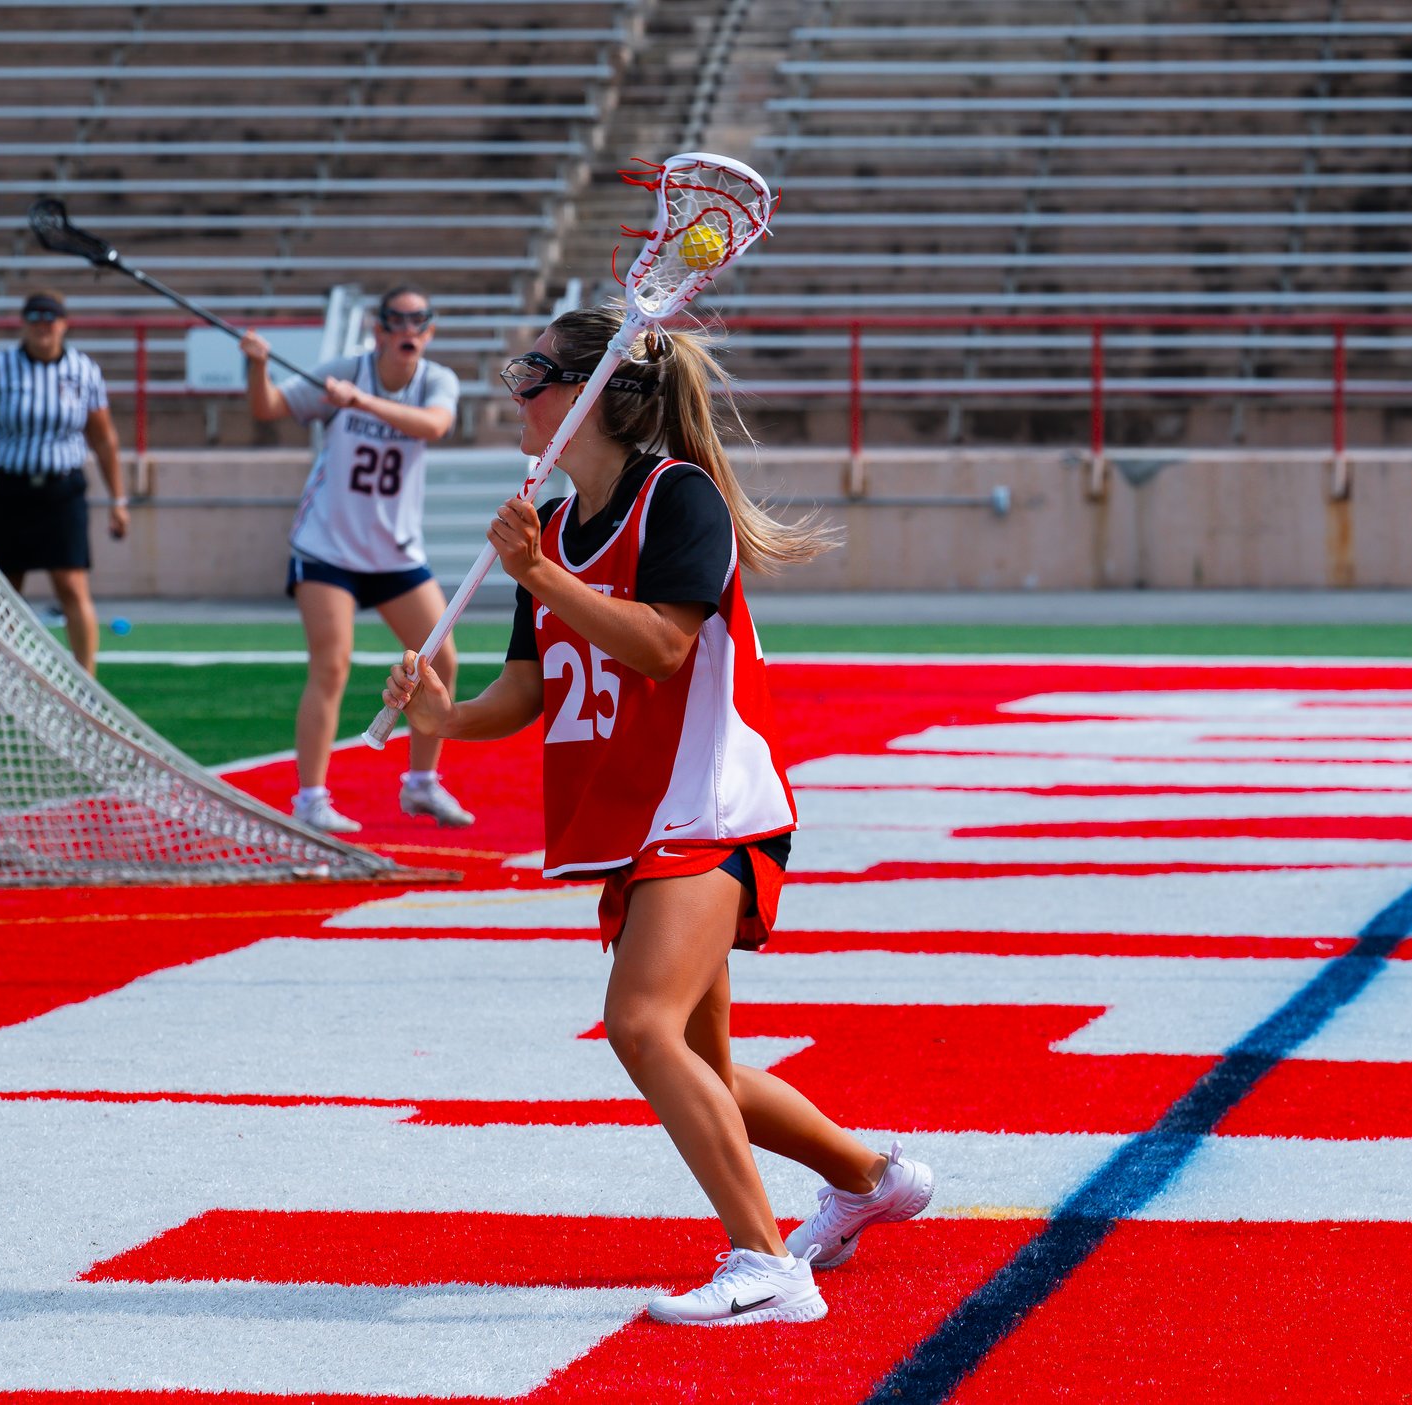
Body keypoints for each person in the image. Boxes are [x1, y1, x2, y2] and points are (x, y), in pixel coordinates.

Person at [380, 303, 932, 1325]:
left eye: (531, 371)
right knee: (705, 1063)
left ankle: (767, 1263)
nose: (515, 387)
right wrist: (442, 715)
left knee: (638, 1024)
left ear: (588, 394)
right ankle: (871, 1178)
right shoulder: (544, 526)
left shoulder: (678, 499)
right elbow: (532, 686)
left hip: (708, 805)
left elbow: (662, 648)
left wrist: (539, 573)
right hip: (643, 818)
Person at [242, 286, 473, 834]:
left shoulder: (435, 380)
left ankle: (421, 785)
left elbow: (434, 426)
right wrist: (255, 368)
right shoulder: (344, 370)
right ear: (379, 329)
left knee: (440, 661)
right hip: (328, 547)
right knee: (332, 664)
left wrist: (358, 402)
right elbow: (268, 407)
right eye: (397, 321)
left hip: (393, 551)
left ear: (429, 331)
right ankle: (311, 801)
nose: (408, 332)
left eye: (419, 322)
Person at [0, 290, 127, 675]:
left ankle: (86, 680)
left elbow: (103, 437)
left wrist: (119, 498)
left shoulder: (83, 371)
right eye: (35, 318)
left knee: (71, 585)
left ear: (64, 324)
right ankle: (4, 674)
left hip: (60, 490)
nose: (43, 326)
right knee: (2, 588)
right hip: (7, 489)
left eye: (50, 318)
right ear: (24, 323)